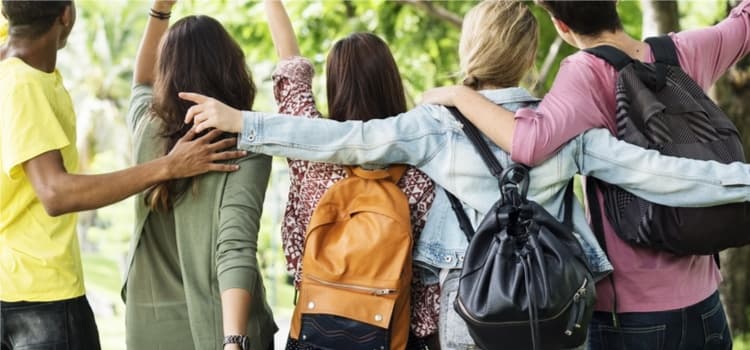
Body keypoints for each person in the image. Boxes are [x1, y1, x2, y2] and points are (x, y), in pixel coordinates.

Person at [181, 1, 750, 349]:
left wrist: (245, 123)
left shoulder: (434, 126)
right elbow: (661, 174)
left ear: (469, 49)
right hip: (557, 311)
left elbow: (342, 139)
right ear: (530, 58)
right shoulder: (565, 125)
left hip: (471, 311)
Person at [420, 1, 750, 348]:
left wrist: (457, 94)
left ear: (561, 26)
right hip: (706, 308)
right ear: (616, 4)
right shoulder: (684, 50)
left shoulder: (585, 72)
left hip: (632, 316)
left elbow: (528, 142)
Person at [0, 2, 243, 349]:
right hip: (38, 299)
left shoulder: (10, 62)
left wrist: (160, 10)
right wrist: (168, 166)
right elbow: (56, 193)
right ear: (66, 15)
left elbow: (143, 82)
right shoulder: (24, 85)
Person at [262, 1, 437, 348]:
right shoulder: (425, 166)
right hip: (394, 335)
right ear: (391, 81)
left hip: (317, 327)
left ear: (335, 86)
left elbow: (291, 69)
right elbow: (430, 288)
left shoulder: (310, 151)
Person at [120, 1, 277, 350]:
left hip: (149, 330)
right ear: (232, 67)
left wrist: (159, 11)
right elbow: (235, 248)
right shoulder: (244, 145)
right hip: (219, 330)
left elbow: (141, 81)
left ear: (168, 72)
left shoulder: (148, 128)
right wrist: (234, 341)